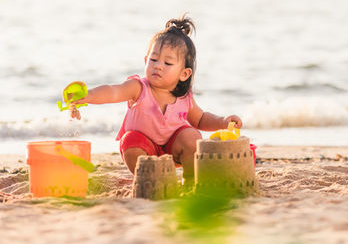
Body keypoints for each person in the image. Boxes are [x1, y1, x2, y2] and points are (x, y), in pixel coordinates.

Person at [68, 14, 242, 186]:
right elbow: (113, 91)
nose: (158, 65)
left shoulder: (184, 96)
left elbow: (200, 119)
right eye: (153, 59)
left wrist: (222, 121)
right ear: (146, 60)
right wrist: (88, 95)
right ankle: (150, 180)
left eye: (168, 63)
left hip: (173, 149)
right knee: (130, 140)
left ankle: (191, 181)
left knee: (193, 137)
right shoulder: (138, 88)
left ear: (184, 74)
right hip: (143, 151)